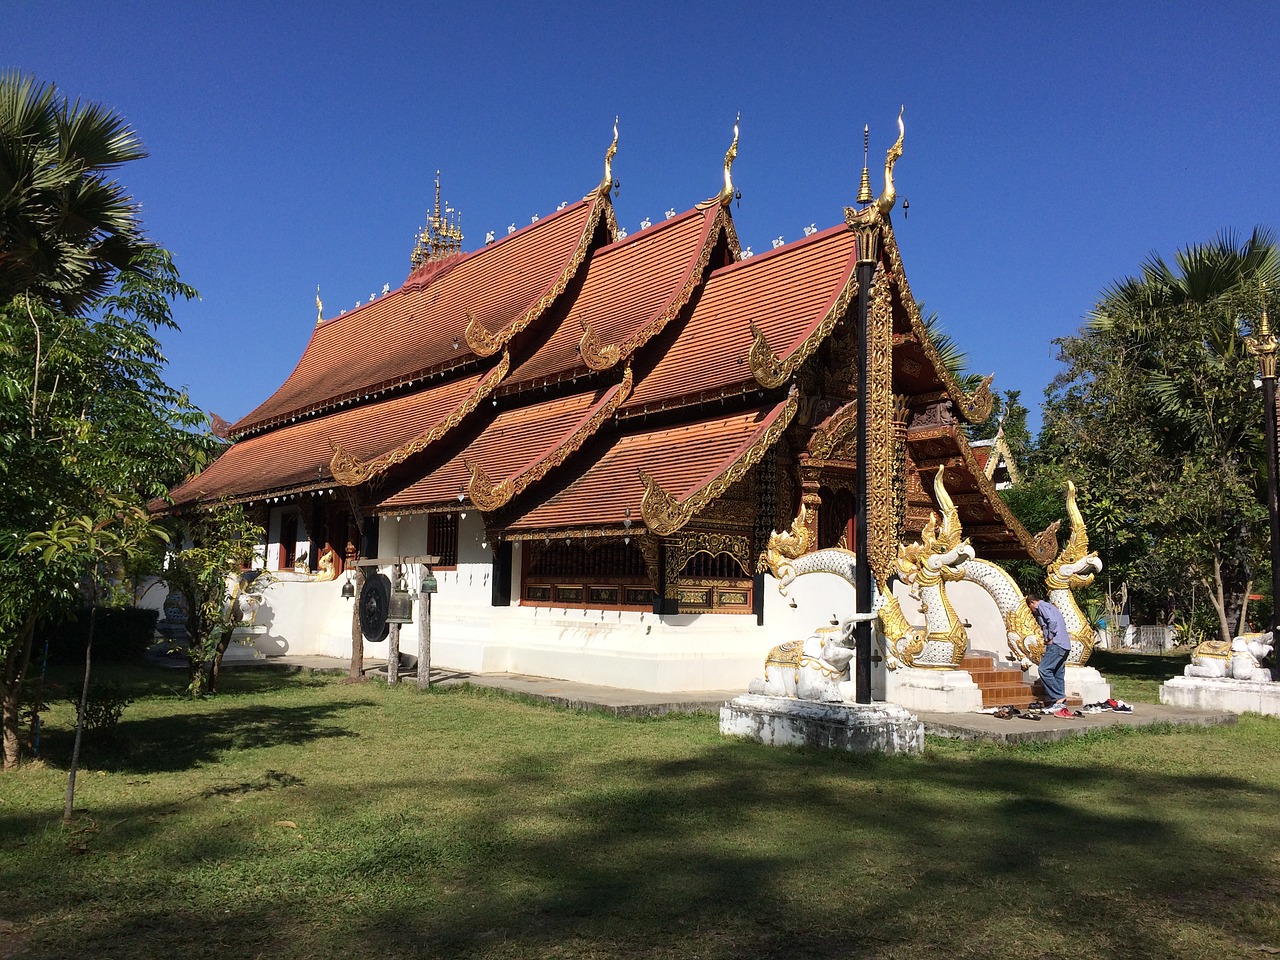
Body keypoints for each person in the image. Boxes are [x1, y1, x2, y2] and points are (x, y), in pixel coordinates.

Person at [1027, 595, 1072, 717]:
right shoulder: (1050, 606)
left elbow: (1051, 621)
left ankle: (1059, 697)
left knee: (1044, 669)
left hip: (1056, 644)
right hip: (1064, 645)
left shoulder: (1041, 606)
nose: (1032, 611)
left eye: (1030, 607)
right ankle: (1059, 703)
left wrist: (1050, 637)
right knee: (1058, 673)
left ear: (1032, 603)